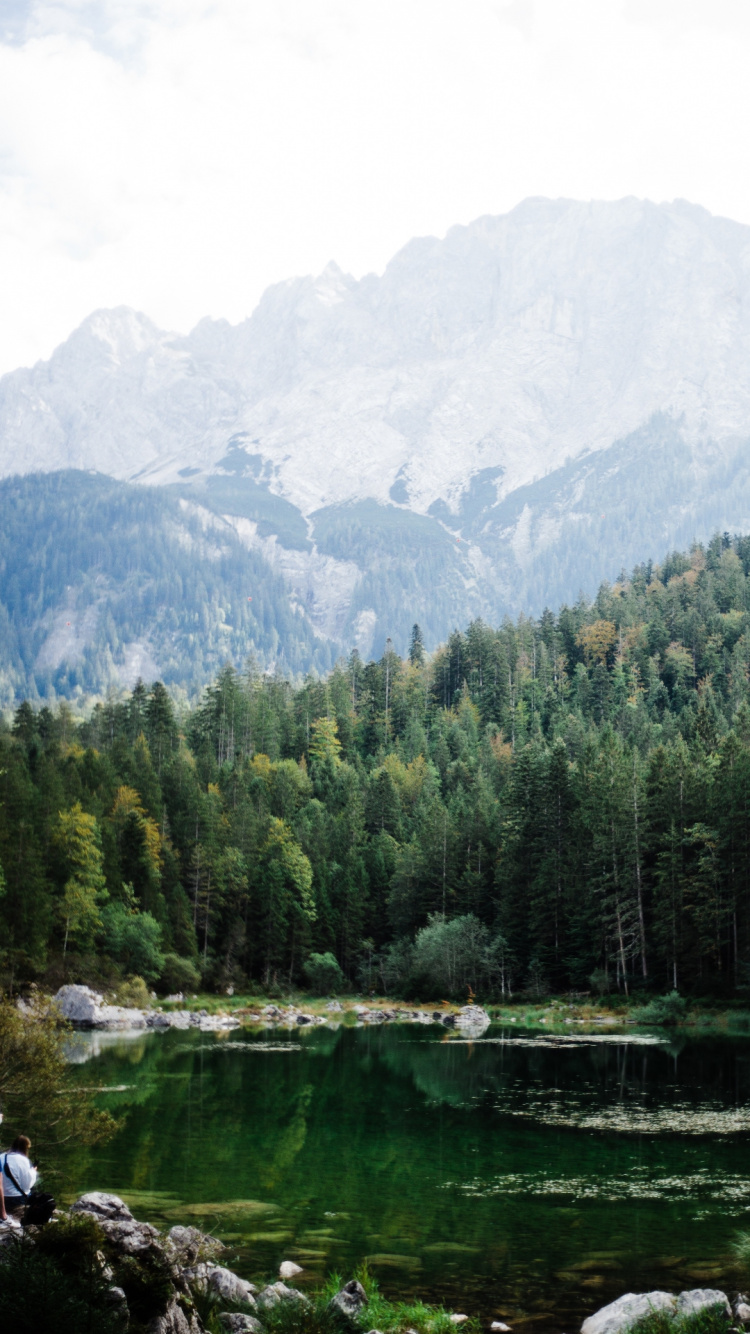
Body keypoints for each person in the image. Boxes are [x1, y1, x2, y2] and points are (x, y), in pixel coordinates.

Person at [0, 1135, 38, 1222]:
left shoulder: (1, 1157)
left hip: (1, 1198)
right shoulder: (24, 1160)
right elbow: (27, 1186)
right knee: (33, 1192)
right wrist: (33, 1171)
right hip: (15, 1200)